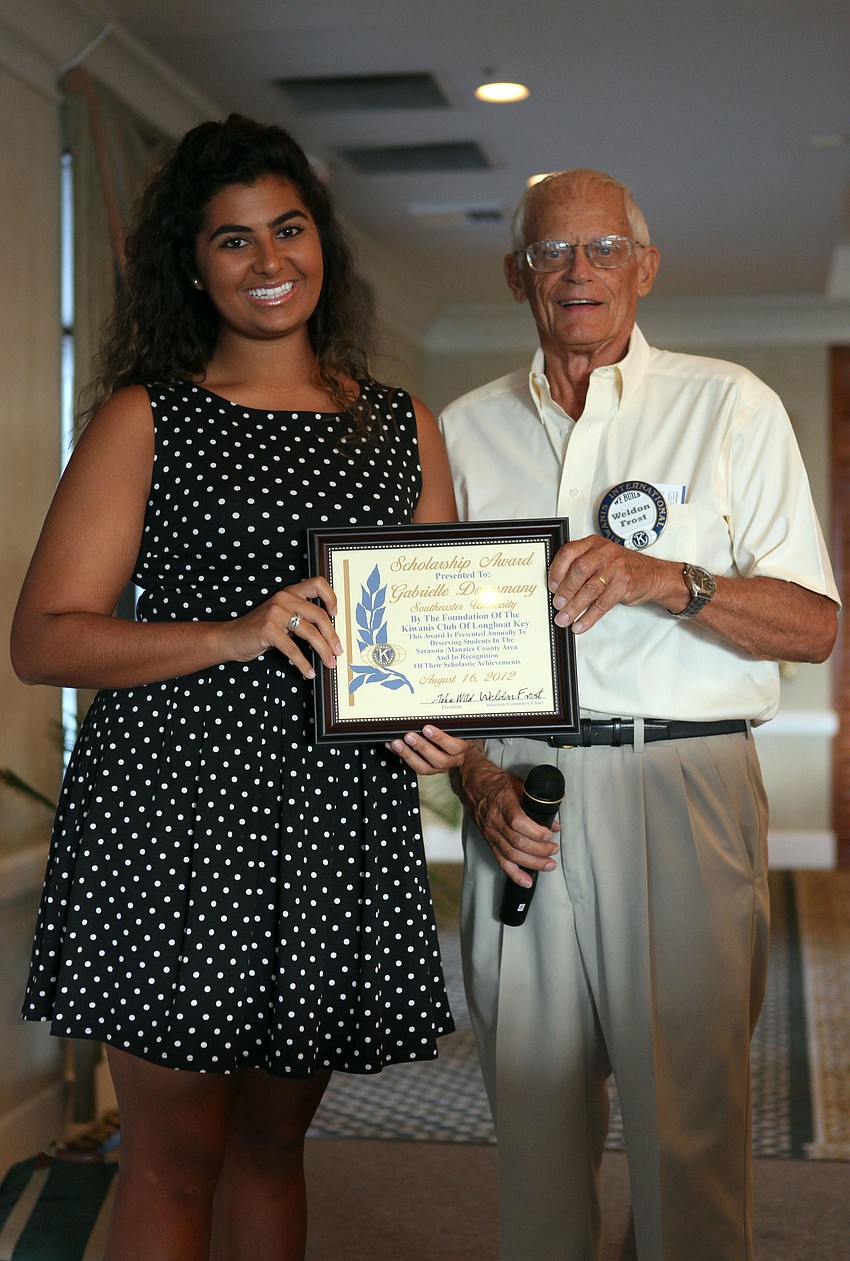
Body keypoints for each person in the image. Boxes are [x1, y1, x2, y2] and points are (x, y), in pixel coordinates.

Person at [11, 113, 465, 1261]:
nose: (270, 263)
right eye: (232, 241)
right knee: (174, 1155)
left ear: (323, 243)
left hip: (326, 822)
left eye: (290, 228)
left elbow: (435, 636)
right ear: (192, 266)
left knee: (272, 1147)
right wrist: (234, 632)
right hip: (169, 822)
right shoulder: (145, 419)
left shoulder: (397, 426)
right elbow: (46, 639)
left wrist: (442, 712)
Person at [438, 168, 839, 1261]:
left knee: (687, 1129)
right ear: (515, 274)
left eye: (603, 249)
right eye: (551, 253)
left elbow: (812, 627)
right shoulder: (461, 434)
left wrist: (670, 579)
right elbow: (425, 663)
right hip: (519, 801)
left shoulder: (730, 406)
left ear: (644, 268)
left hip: (684, 786)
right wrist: (477, 779)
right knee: (530, 1122)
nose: (578, 273)